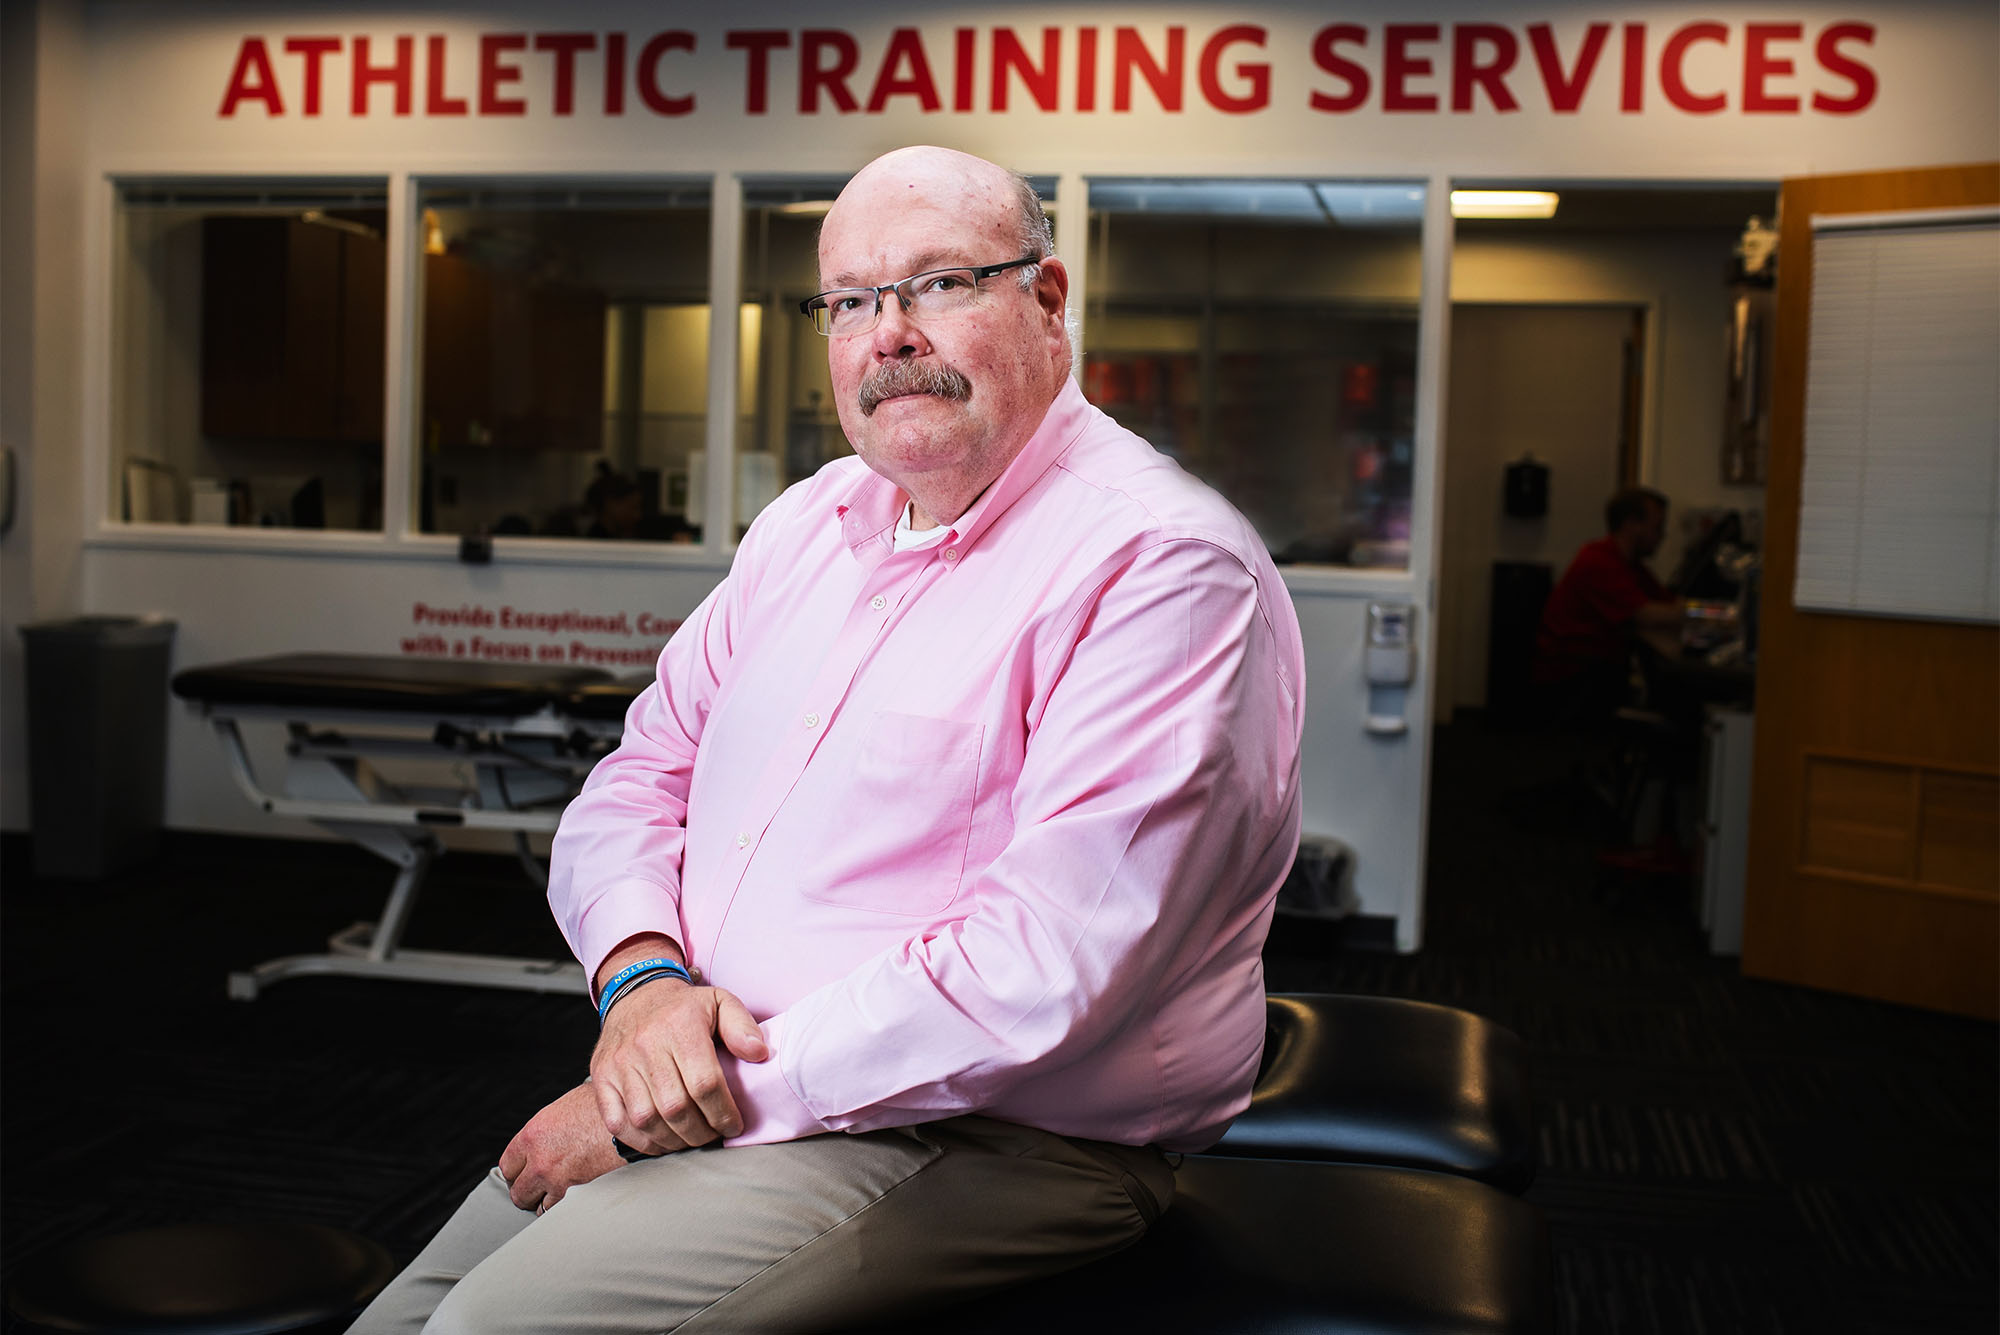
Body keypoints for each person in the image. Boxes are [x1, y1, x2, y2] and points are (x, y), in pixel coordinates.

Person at [350, 146, 1305, 1334]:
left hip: (996, 1131)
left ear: (1046, 300)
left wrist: (671, 1100)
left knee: (484, 1332)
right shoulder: (809, 523)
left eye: (939, 283)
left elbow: (1039, 969)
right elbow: (639, 778)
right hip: (720, 1075)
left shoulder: (1157, 565)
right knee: (400, 1319)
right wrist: (644, 989)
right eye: (851, 301)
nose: (888, 332)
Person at [1533, 486, 1684, 723]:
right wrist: (1698, 614)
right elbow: (1646, 614)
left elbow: (1667, 604)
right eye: (1657, 528)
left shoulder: (1630, 565)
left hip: (1596, 668)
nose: (1661, 536)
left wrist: (1693, 611)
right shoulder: (1598, 561)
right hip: (1573, 676)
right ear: (1631, 524)